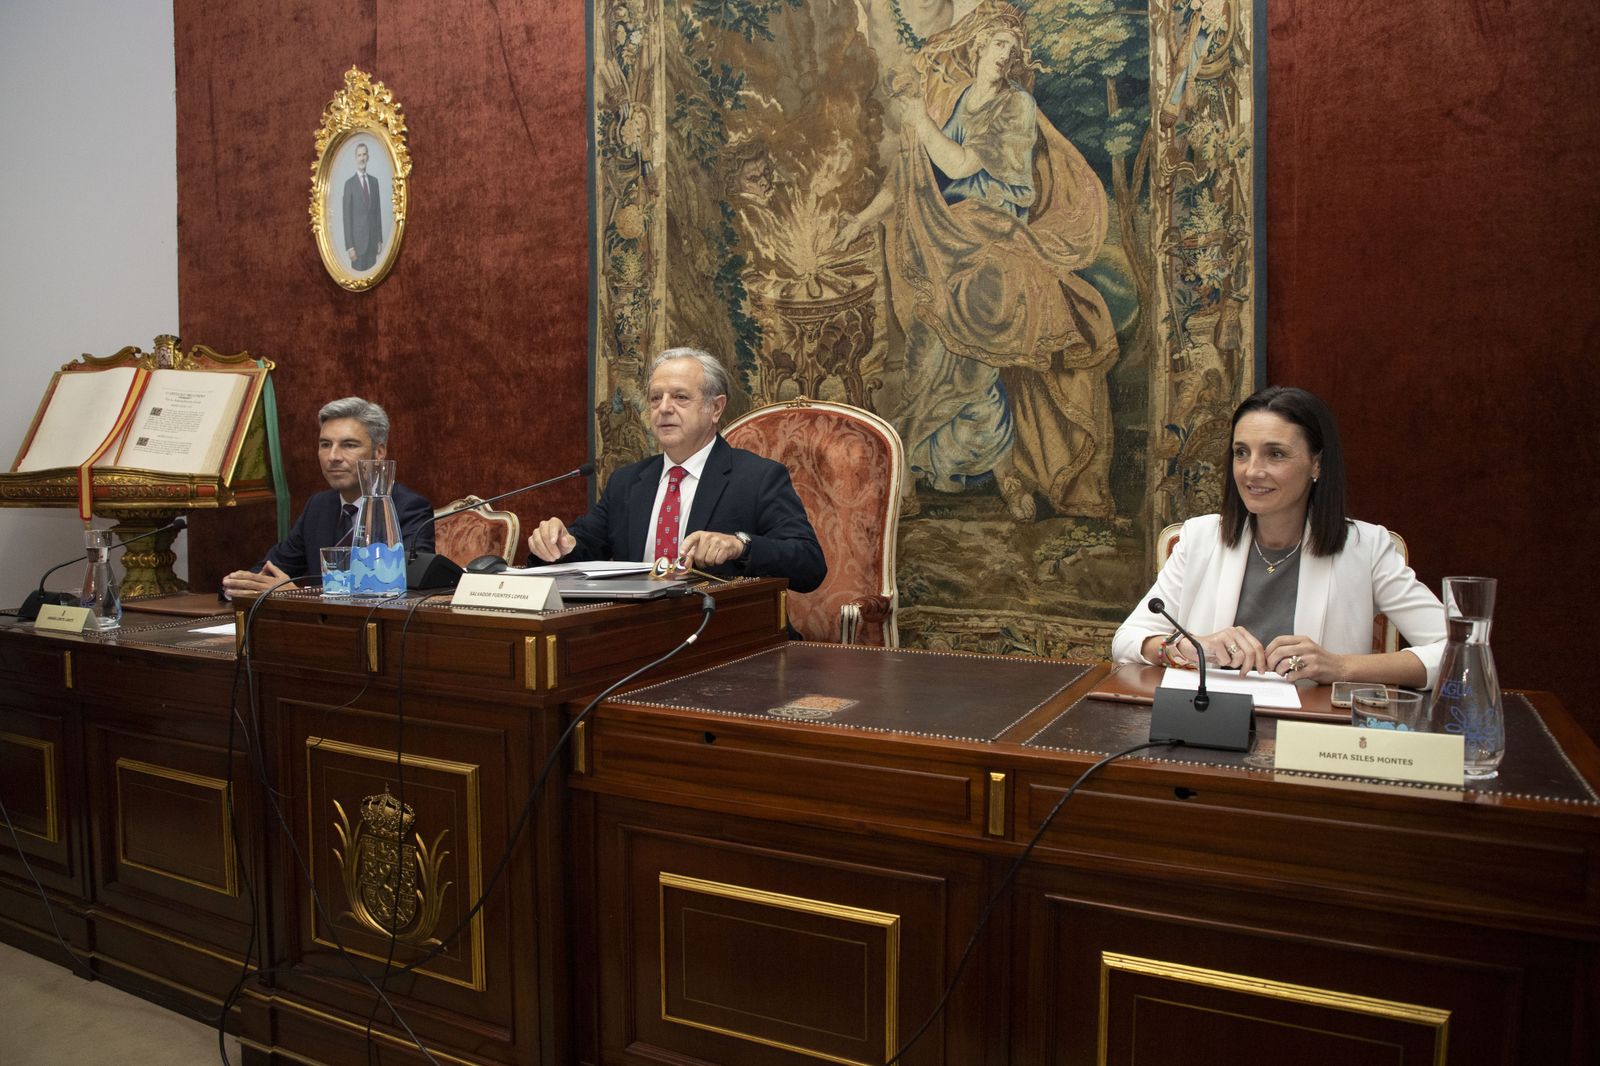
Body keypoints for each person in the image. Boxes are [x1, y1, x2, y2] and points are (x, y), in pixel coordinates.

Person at [835, 0, 1118, 521]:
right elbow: (912, 177)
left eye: (1010, 46)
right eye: (995, 43)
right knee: (928, 349)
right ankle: (912, 472)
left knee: (978, 358)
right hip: (950, 236)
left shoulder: (1016, 107)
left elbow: (962, 162)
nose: (1003, 54)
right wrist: (863, 219)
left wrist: (918, 117)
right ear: (977, 46)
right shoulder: (958, 99)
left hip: (997, 238)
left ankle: (1007, 474)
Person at [1111, 386, 1446, 689]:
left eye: (1276, 454)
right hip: (1207, 730)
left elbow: (1454, 651)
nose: (1251, 471)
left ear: (1317, 464)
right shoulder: (1200, 538)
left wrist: (1339, 665)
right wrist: (1189, 647)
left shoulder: (1365, 547)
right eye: (1241, 452)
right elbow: (1127, 640)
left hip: (1313, 739)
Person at [527, 348, 826, 592]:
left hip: (727, 640)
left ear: (716, 408)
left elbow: (809, 566)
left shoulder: (758, 478)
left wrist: (740, 545)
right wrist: (556, 544)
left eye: (680, 397)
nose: (664, 408)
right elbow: (583, 549)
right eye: (656, 398)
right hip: (635, 637)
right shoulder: (628, 482)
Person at [222, 397, 433, 596]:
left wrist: (295, 596)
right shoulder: (319, 505)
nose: (333, 457)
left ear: (379, 453)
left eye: (349, 445)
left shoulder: (408, 507)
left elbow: (409, 592)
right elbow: (270, 570)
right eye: (325, 445)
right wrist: (237, 587)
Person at [342, 141, 384, 271]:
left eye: (364, 154)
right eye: (359, 155)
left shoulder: (374, 182)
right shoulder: (349, 184)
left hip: (372, 243)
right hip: (357, 246)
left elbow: (377, 212)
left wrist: (379, 240)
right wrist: (350, 246)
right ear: (355, 158)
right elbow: (346, 218)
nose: (362, 158)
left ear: (368, 157)